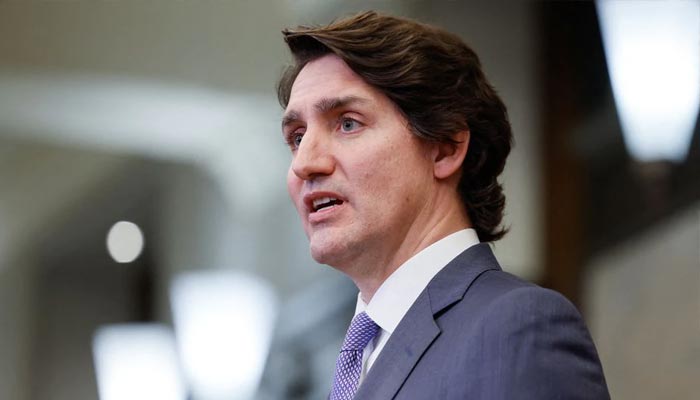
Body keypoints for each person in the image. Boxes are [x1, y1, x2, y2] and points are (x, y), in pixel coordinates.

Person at [277, 11, 609, 400]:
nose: (304, 163)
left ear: (446, 147)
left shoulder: (517, 326)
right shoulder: (357, 353)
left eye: (347, 123)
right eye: (297, 137)